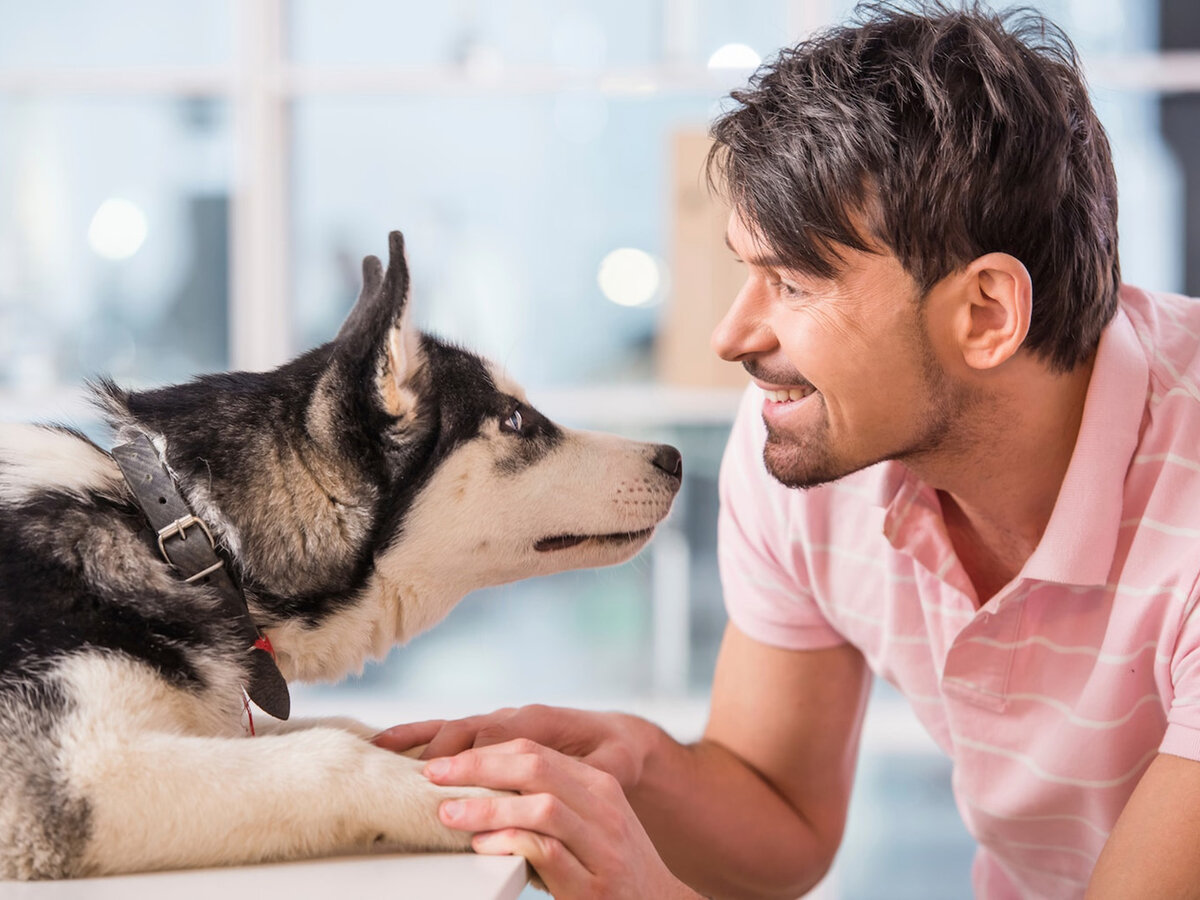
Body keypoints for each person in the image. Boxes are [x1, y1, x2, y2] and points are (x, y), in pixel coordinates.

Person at [376, 3, 1200, 897]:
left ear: (987, 314)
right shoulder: (820, 438)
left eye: (793, 282)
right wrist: (636, 768)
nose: (734, 336)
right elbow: (781, 822)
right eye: (744, 270)